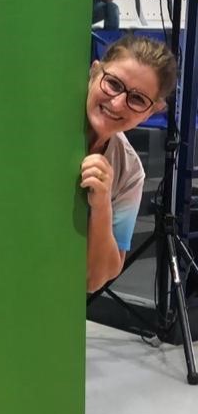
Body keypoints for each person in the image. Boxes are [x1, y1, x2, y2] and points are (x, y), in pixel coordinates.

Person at [83, 34, 177, 292]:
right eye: (113, 84)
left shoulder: (130, 171)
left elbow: (96, 279)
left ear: (152, 111)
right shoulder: (45, 116)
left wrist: (102, 206)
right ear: (95, 71)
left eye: (137, 99)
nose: (117, 103)